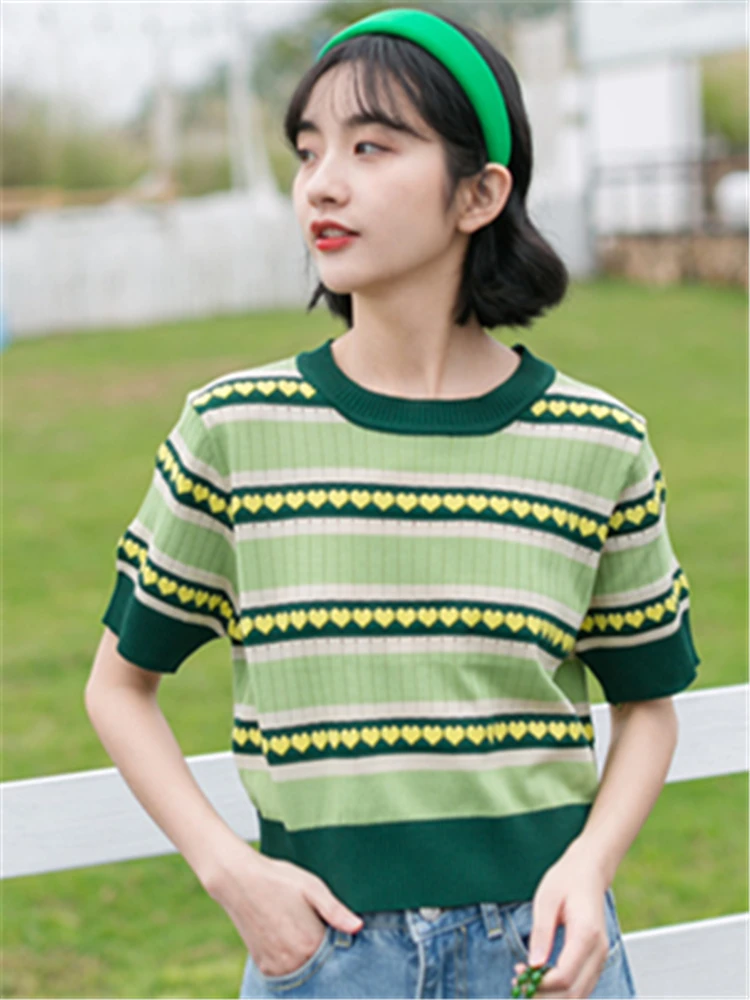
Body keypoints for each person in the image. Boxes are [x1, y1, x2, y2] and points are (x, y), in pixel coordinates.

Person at [85, 8, 700, 999]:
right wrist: (231, 871)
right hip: (328, 956)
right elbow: (118, 686)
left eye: (371, 147)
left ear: (480, 193)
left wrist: (589, 868)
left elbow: (648, 704)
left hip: (540, 956)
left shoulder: (599, 443)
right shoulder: (232, 430)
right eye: (308, 150)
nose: (322, 183)